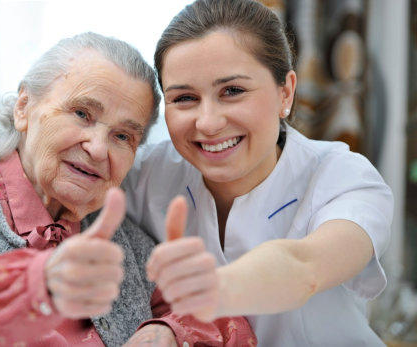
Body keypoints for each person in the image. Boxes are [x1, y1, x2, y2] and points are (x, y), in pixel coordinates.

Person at [0, 32, 256, 347]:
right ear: (24, 107)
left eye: (122, 136)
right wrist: (44, 282)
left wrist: (169, 332)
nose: (98, 148)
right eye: (82, 113)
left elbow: (228, 323)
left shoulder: (127, 244)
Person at [122, 0, 393, 346]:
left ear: (286, 92)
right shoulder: (145, 174)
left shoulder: (343, 177)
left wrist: (196, 307)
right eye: (184, 98)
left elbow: (305, 268)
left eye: (232, 91)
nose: (208, 122)